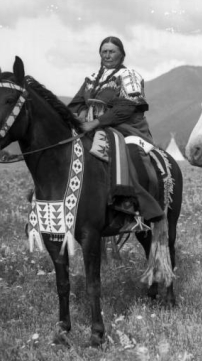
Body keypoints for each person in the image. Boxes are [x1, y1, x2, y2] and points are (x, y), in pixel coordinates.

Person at [68, 36, 163, 226]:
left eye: (112, 51)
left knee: (130, 152)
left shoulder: (129, 75)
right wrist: (80, 114)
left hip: (125, 127)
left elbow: (126, 108)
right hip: (91, 126)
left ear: (121, 54)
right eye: (104, 51)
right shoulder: (92, 79)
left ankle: (135, 202)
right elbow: (75, 104)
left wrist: (96, 122)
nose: (107, 55)